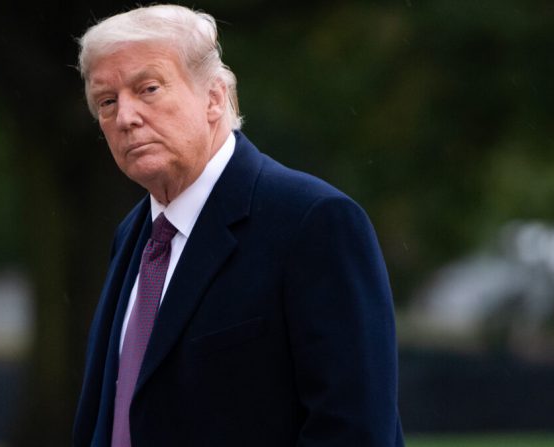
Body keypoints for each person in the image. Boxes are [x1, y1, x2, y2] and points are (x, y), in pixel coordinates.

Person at [72, 4, 404, 446]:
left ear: (214, 97)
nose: (125, 118)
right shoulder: (133, 236)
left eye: (148, 88)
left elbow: (354, 430)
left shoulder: (313, 222)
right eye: (107, 102)